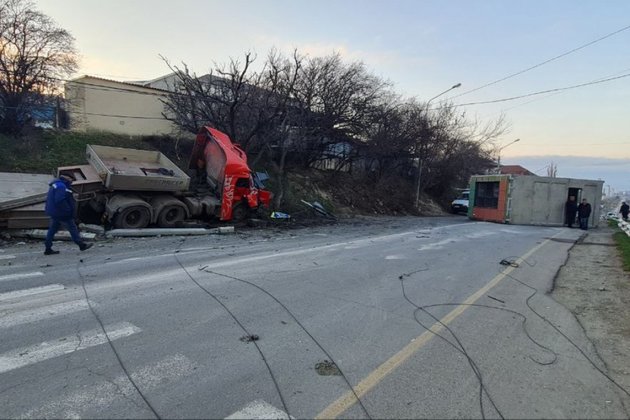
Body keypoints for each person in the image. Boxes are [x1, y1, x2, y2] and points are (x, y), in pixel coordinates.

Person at [44, 174, 93, 255]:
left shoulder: (57, 184)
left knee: (52, 230)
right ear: (66, 177)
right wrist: (68, 210)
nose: (72, 180)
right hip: (62, 213)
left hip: (55, 212)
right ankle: (81, 245)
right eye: (71, 178)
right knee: (72, 228)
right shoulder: (61, 186)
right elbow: (59, 200)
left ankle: (48, 248)